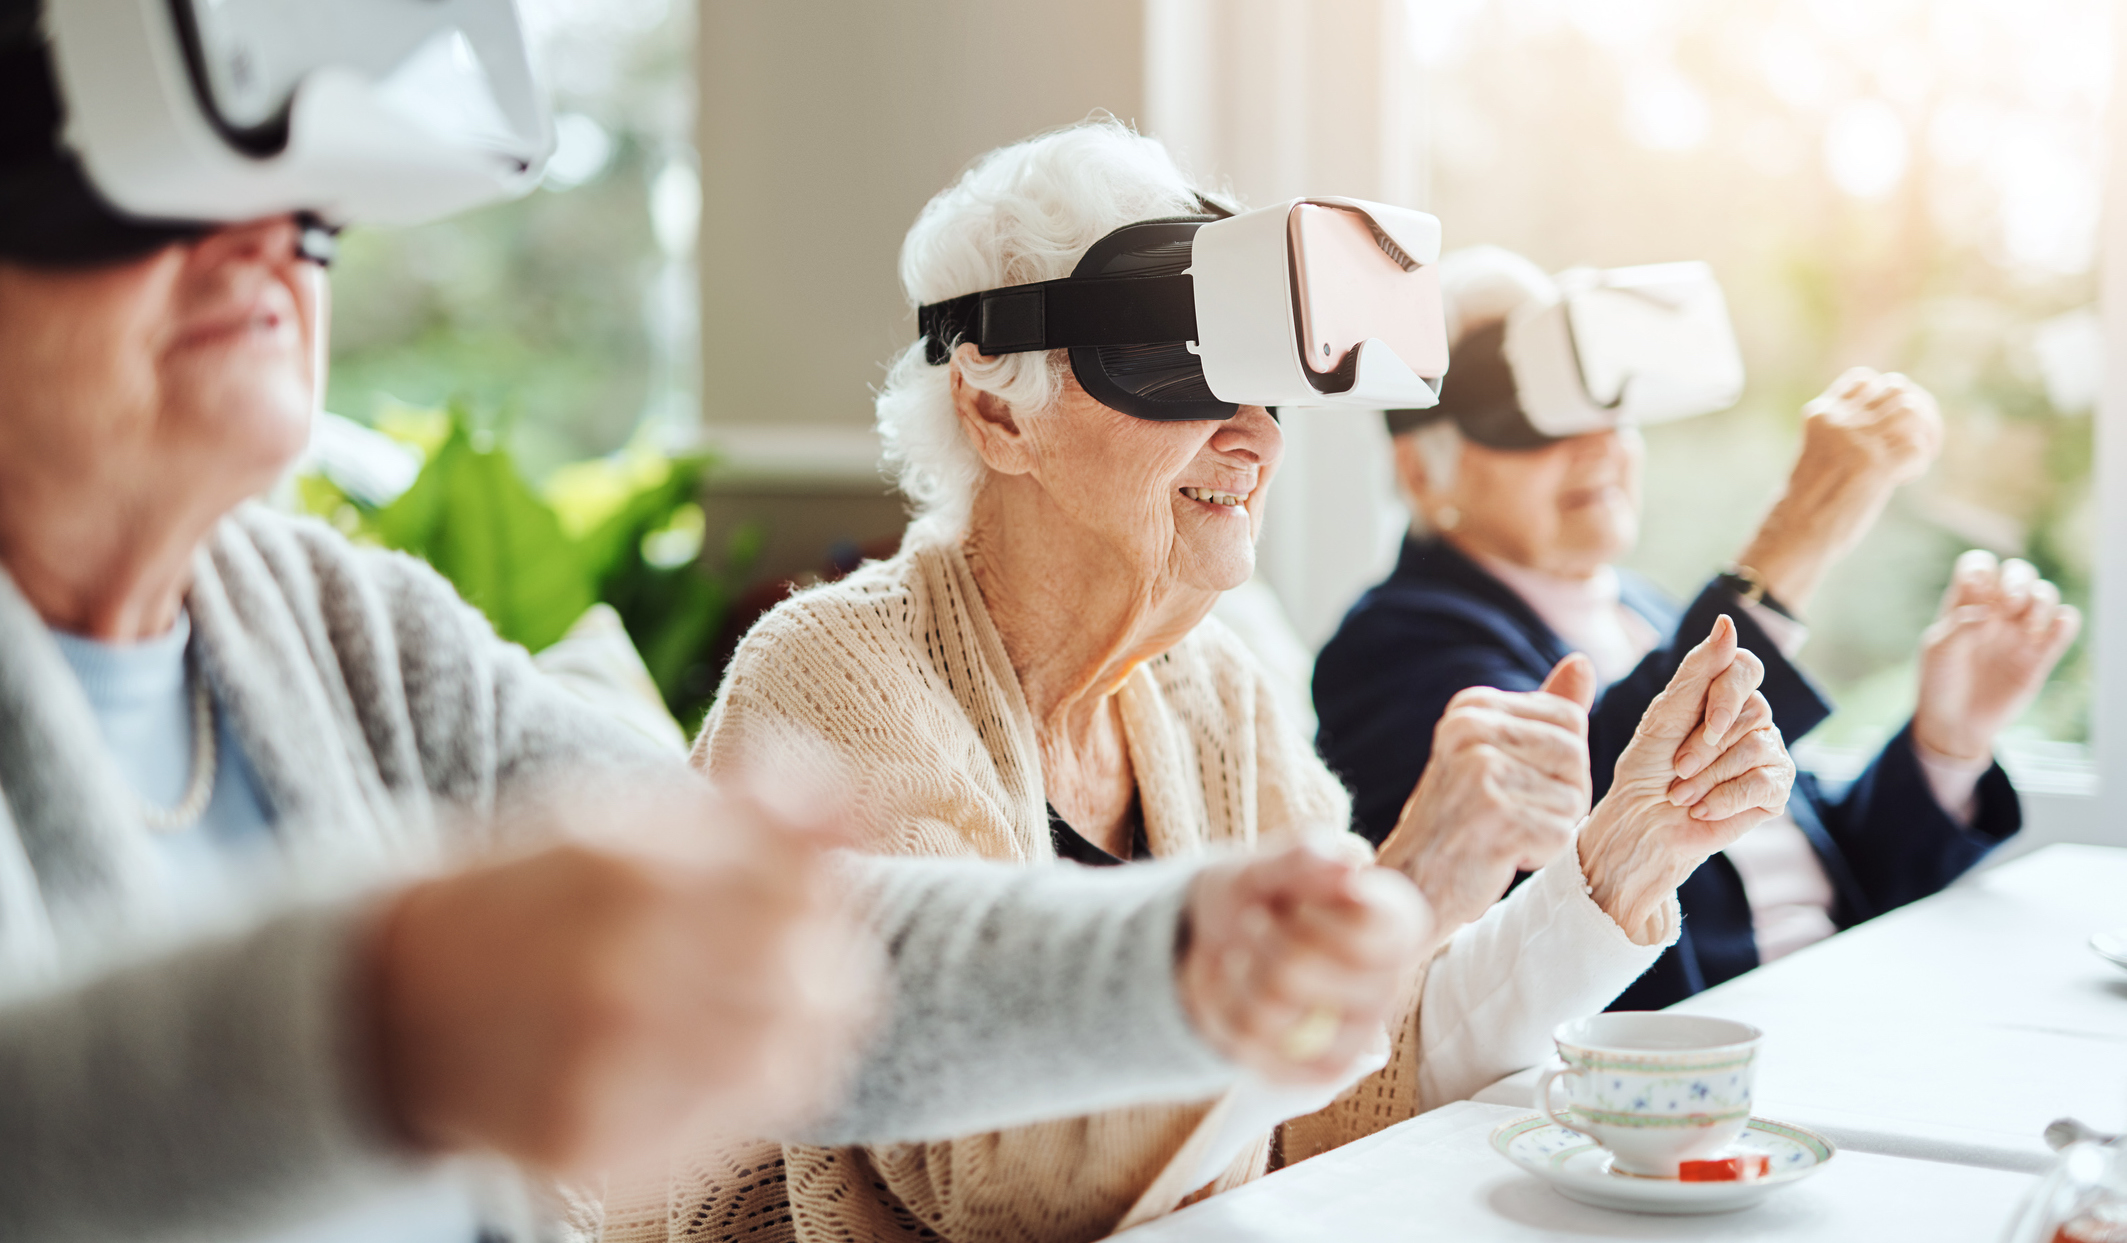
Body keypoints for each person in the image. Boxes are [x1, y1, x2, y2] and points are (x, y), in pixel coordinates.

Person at [0, 13, 1441, 1241]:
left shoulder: (347, 626)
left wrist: (1182, 956)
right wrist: (367, 1027)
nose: (261, 243)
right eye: (133, 192)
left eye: (307, 214)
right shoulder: (844, 658)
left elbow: (827, 942)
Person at [660, 120, 1799, 1243]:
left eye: (1262, 383)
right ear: (995, 408)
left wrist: (1615, 862)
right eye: (1174, 377)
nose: (1254, 434)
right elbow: (993, 1187)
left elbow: (1341, 1093)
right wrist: (1406, 888)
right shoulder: (837, 679)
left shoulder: (1212, 689)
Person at [1314, 245, 2080, 1009]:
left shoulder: (1644, 613)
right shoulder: (1397, 643)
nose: (1600, 444)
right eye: (1534, 420)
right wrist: (1794, 538)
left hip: (1843, 1005)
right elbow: (1602, 821)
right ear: (1421, 471)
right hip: (1692, 1061)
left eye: (1611, 405)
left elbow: (1833, 869)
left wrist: (1947, 737)